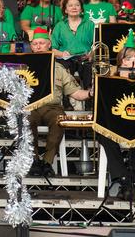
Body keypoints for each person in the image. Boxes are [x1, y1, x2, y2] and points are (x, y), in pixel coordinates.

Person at [97, 33, 135, 200]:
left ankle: (128, 181)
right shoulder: (108, 80)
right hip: (113, 125)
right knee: (106, 137)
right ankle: (124, 179)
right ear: (123, 61)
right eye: (134, 59)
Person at [28, 28, 92, 176]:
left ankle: (47, 162)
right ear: (31, 46)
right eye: (35, 44)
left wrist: (90, 93)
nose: (38, 46)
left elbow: (75, 92)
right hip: (31, 107)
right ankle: (34, 161)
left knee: (59, 120)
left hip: (53, 107)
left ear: (49, 45)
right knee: (26, 121)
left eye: (42, 43)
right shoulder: (24, 66)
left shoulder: (59, 68)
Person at [51, 0, 95, 89]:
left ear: (81, 9)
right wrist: (62, 54)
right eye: (70, 5)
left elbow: (96, 44)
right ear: (65, 10)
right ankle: (66, 100)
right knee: (62, 67)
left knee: (89, 67)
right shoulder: (60, 26)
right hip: (66, 59)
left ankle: (89, 98)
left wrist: (91, 54)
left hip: (85, 58)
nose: (74, 7)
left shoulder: (89, 24)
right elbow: (53, 49)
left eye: (77, 5)